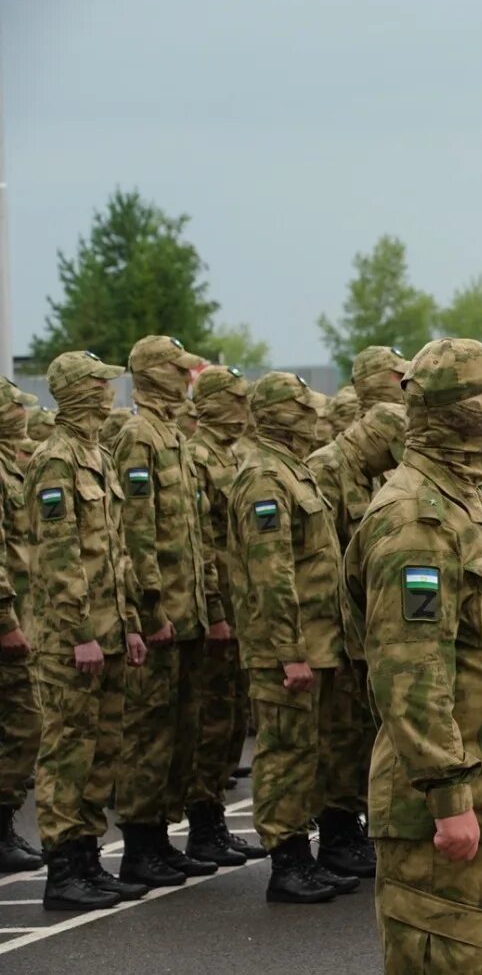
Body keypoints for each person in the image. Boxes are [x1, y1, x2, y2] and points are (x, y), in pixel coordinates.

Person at [344, 337, 482, 975]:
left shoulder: (467, 504)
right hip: (450, 820)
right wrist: (448, 798)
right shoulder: (415, 520)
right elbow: (410, 671)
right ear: (468, 414)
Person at [26, 351, 149, 910]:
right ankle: (62, 871)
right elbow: (59, 556)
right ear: (76, 392)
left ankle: (87, 860)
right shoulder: (54, 461)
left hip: (108, 631)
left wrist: (128, 627)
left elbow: (114, 555)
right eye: (99, 386)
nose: (108, 395)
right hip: (70, 639)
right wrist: (80, 632)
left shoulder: (95, 453)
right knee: (69, 750)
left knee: (102, 751)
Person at [227, 372, 355, 903]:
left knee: (309, 753)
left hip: (316, 641)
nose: (312, 417)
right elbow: (270, 572)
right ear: (280, 412)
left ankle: (303, 853)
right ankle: (287, 863)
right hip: (288, 648)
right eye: (302, 409)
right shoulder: (262, 477)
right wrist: (289, 652)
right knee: (284, 752)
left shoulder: (289, 468)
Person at [112, 335, 232, 886]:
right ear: (155, 374)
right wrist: (150, 610)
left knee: (180, 733)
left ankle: (160, 837)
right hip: (163, 615)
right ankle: (139, 845)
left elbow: (195, 536)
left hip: (187, 615)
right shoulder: (139, 438)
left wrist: (206, 607)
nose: (188, 379)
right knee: (149, 733)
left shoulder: (173, 439)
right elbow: (136, 534)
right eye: (179, 371)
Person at [307, 401, 407, 879]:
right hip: (329, 628)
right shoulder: (325, 470)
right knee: (334, 738)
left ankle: (346, 831)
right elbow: (322, 564)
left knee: (352, 735)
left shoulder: (364, 474)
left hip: (355, 630)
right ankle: (333, 834)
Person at [183, 366, 267, 865]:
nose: (243, 409)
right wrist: (214, 608)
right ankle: (201, 823)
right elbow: (200, 545)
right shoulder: (195, 457)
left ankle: (212, 819)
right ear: (212, 403)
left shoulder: (235, 456)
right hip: (220, 606)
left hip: (241, 607)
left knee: (232, 718)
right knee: (211, 719)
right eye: (235, 400)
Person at [0, 379, 43, 873]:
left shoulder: (11, 466)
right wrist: (6, 621)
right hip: (7, 622)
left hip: (23, 613)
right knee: (24, 723)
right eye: (16, 409)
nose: (24, 416)